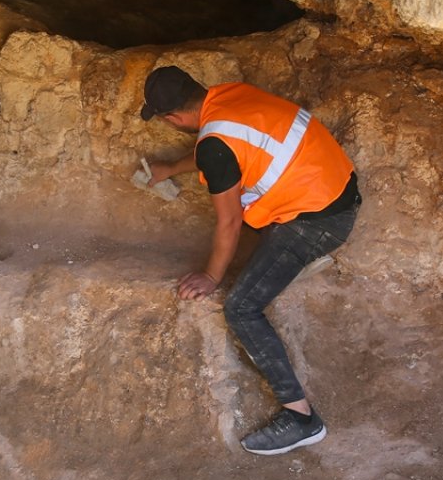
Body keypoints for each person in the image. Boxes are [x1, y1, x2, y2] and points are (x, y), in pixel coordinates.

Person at [139, 66, 362, 456]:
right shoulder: (229, 98)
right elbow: (220, 153)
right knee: (249, 190)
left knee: (242, 307)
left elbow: (229, 222)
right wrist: (170, 169)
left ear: (172, 119)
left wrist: (211, 275)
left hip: (320, 221)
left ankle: (302, 419)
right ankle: (295, 258)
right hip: (337, 188)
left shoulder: (214, 143)